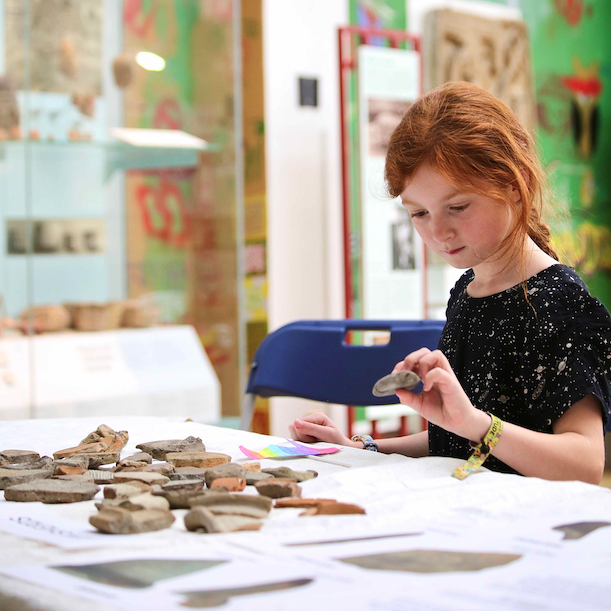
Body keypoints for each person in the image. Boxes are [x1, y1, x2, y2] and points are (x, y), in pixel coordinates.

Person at [290, 81, 610, 484]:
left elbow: (583, 464)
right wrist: (362, 448)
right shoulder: (469, 291)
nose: (439, 232)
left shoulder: (560, 304)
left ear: (514, 184)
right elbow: (457, 439)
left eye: (457, 207)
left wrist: (477, 424)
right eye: (419, 213)